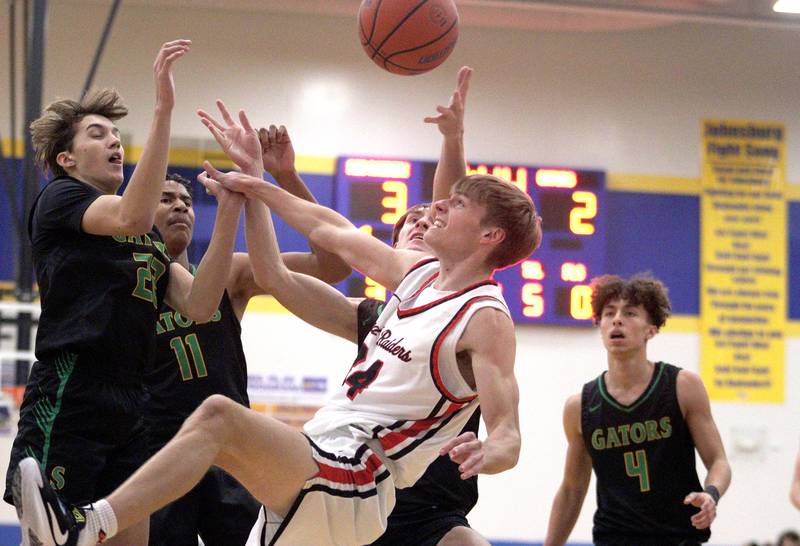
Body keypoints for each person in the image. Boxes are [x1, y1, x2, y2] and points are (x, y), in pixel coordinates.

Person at [13, 86, 541, 544]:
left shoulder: (485, 318)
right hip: (314, 457)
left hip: (359, 475)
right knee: (214, 427)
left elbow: (508, 433)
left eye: (454, 208)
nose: (435, 212)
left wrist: (489, 451)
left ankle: (88, 525)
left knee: (218, 416)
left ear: (490, 236)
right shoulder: (410, 281)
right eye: (428, 212)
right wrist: (258, 179)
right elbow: (317, 242)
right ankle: (89, 523)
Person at [4, 40, 247, 545]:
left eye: (117, 133)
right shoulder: (62, 198)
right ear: (66, 157)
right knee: (51, 539)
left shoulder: (147, 239)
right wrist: (164, 107)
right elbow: (131, 213)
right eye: (99, 134)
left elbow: (201, 304)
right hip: (74, 387)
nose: (114, 140)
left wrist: (229, 208)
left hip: (133, 403)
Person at [146, 164, 350, 545]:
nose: (180, 207)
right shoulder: (128, 287)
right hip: (158, 449)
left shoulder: (229, 273)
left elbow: (332, 265)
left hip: (230, 447)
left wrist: (285, 176)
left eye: (188, 201)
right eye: (166, 199)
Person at [544, 274, 732, 546]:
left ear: (651, 329)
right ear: (600, 325)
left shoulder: (682, 386)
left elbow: (719, 461)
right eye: (609, 313)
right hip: (614, 538)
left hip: (677, 537)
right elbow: (572, 489)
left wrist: (711, 495)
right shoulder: (580, 405)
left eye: (630, 313)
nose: (617, 319)